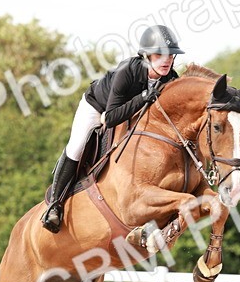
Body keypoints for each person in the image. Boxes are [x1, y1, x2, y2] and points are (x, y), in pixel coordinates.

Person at [41, 24, 184, 233]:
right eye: (160, 54)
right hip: (97, 106)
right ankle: (54, 205)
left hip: (130, 115)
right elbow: (109, 117)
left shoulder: (171, 79)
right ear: (146, 56)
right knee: (77, 146)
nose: (167, 60)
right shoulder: (127, 71)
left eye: (171, 55)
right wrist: (143, 98)